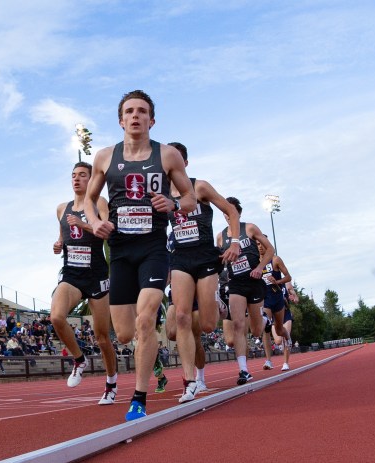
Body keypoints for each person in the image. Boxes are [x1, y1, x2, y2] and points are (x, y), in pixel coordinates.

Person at [84, 89, 196, 421]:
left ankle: (139, 396)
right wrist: (95, 222)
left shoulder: (168, 156)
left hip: (153, 249)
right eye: (130, 111)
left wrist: (173, 204)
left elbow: (189, 198)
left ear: (152, 119)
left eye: (142, 111)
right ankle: (149, 344)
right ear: (121, 120)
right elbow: (90, 200)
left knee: (145, 320)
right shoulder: (105, 157)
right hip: (119, 251)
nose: (136, 116)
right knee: (124, 333)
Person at [166, 142, 240, 402]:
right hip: (180, 260)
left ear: (184, 163)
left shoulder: (200, 187)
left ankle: (215, 300)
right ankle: (189, 382)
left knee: (208, 325)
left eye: (176, 160)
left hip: (206, 258)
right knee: (183, 317)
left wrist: (235, 242)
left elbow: (230, 211)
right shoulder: (163, 194)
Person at [217, 196, 275, 385]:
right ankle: (243, 370)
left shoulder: (249, 228)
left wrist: (260, 268)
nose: (227, 215)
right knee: (238, 326)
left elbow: (270, 249)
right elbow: (219, 261)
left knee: (257, 331)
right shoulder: (221, 236)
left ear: (238, 213)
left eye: (231, 211)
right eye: (224, 211)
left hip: (254, 281)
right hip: (236, 284)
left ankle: (265, 320)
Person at [257, 238, 293, 371]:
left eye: (262, 244)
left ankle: (287, 336)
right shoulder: (255, 262)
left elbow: (288, 277)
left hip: (277, 298)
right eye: (257, 244)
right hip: (264, 298)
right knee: (265, 326)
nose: (260, 247)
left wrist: (276, 281)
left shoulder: (276, 259)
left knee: (279, 330)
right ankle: (268, 360)